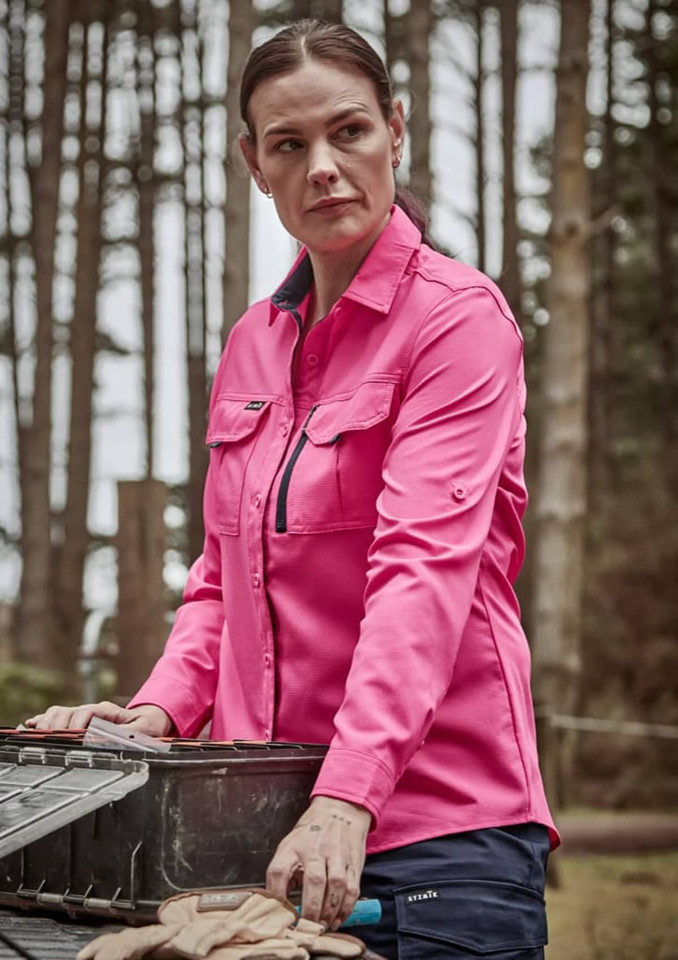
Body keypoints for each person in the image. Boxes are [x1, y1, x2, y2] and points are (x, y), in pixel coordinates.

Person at [28, 20, 558, 959]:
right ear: (254, 163)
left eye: (348, 131)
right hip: (262, 840)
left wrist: (347, 795)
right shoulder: (250, 346)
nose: (323, 165)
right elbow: (223, 580)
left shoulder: (459, 324)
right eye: (289, 143)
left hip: (434, 839)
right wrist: (153, 718)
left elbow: (423, 574)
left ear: (396, 130)